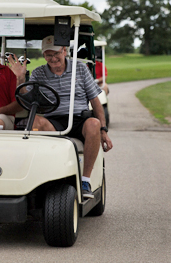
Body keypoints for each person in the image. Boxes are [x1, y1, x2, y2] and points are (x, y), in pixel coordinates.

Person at [29, 35, 113, 199]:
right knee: (36, 122)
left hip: (78, 119)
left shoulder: (80, 69)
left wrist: (103, 130)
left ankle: (85, 180)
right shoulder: (38, 73)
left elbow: (95, 101)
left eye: (56, 54)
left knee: (94, 124)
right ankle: (42, 177)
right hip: (53, 120)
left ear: (64, 51)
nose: (53, 59)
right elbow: (28, 98)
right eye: (48, 55)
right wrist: (19, 78)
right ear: (43, 55)